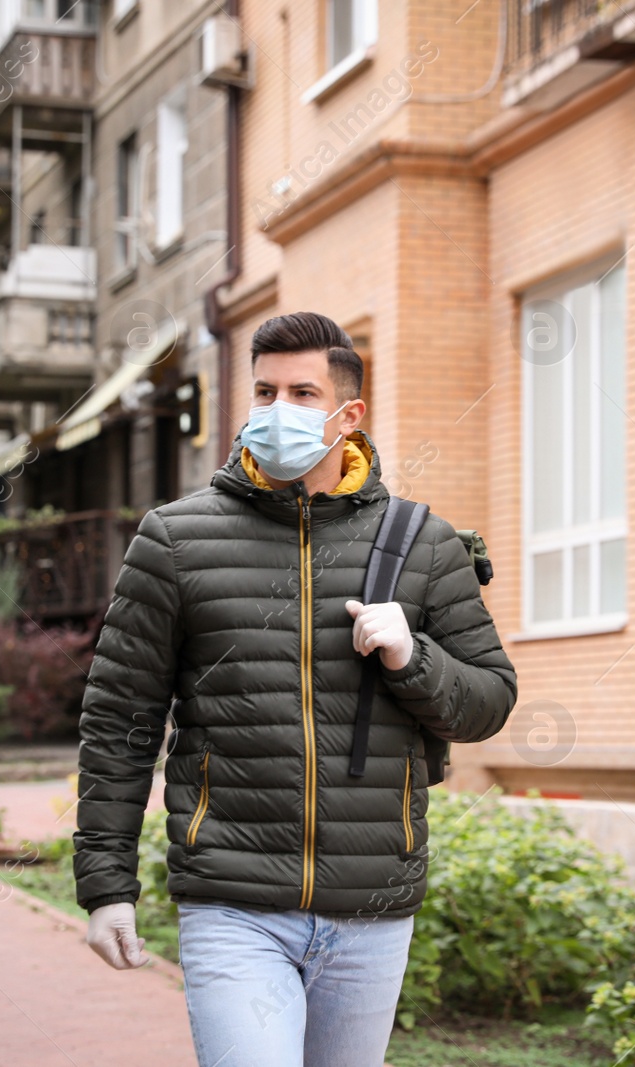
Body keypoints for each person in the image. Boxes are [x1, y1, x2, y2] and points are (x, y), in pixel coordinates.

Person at [74, 311, 518, 1067]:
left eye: (301, 392)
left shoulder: (425, 544)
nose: (277, 410)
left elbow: (489, 701)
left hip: (371, 903)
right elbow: (121, 719)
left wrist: (414, 657)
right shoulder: (176, 540)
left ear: (348, 415)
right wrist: (106, 883)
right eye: (264, 391)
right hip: (232, 902)